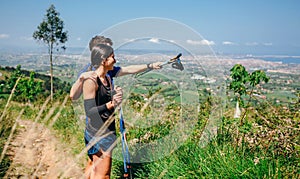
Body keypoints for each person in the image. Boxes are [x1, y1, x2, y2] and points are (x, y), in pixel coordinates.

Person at [70, 35, 162, 100]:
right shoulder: (87, 73)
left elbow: (129, 69)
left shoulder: (108, 70)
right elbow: (74, 97)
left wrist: (151, 66)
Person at [83, 43, 122, 178]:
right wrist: (111, 104)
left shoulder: (107, 78)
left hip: (105, 130)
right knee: (103, 175)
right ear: (103, 60)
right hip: (99, 134)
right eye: (112, 57)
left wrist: (115, 93)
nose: (115, 60)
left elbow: (103, 99)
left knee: (95, 169)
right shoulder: (91, 81)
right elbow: (90, 111)